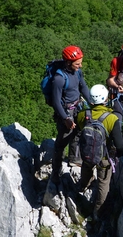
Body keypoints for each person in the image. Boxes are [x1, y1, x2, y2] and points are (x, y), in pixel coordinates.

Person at [76, 84, 123, 223]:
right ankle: (97, 212)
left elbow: (79, 130)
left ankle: (83, 186)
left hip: (87, 153)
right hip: (104, 156)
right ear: (105, 99)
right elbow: (120, 145)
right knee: (103, 183)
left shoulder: (83, 115)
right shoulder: (112, 119)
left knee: (87, 167)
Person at [51, 45, 91, 184]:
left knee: (78, 133)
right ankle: (55, 172)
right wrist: (65, 119)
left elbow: (83, 87)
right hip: (66, 111)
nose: (80, 65)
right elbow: (56, 102)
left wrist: (92, 103)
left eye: (80, 62)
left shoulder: (77, 72)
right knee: (62, 142)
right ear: (68, 63)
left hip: (77, 107)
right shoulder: (59, 79)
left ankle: (75, 159)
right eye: (77, 63)